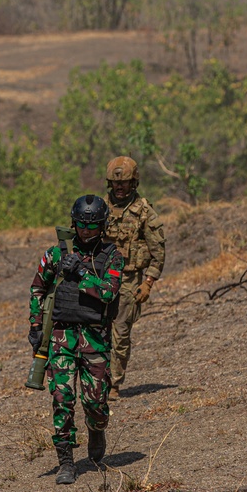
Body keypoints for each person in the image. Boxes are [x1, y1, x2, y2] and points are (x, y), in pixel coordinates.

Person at [29, 194, 124, 484]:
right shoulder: (55, 255)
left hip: (95, 337)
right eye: (81, 224)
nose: (86, 230)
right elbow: (37, 289)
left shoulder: (112, 256)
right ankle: (66, 462)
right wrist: (36, 327)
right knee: (62, 398)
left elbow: (108, 292)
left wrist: (81, 271)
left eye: (93, 226)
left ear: (102, 226)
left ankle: (97, 430)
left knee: (95, 403)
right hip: (61, 337)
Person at [102, 156, 166, 399]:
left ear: (134, 182)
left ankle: (114, 383)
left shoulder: (144, 212)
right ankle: (96, 380)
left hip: (128, 281)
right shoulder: (99, 208)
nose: (119, 187)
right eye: (115, 183)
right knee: (97, 332)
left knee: (120, 333)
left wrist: (148, 281)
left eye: (125, 182)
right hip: (100, 279)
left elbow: (158, 250)